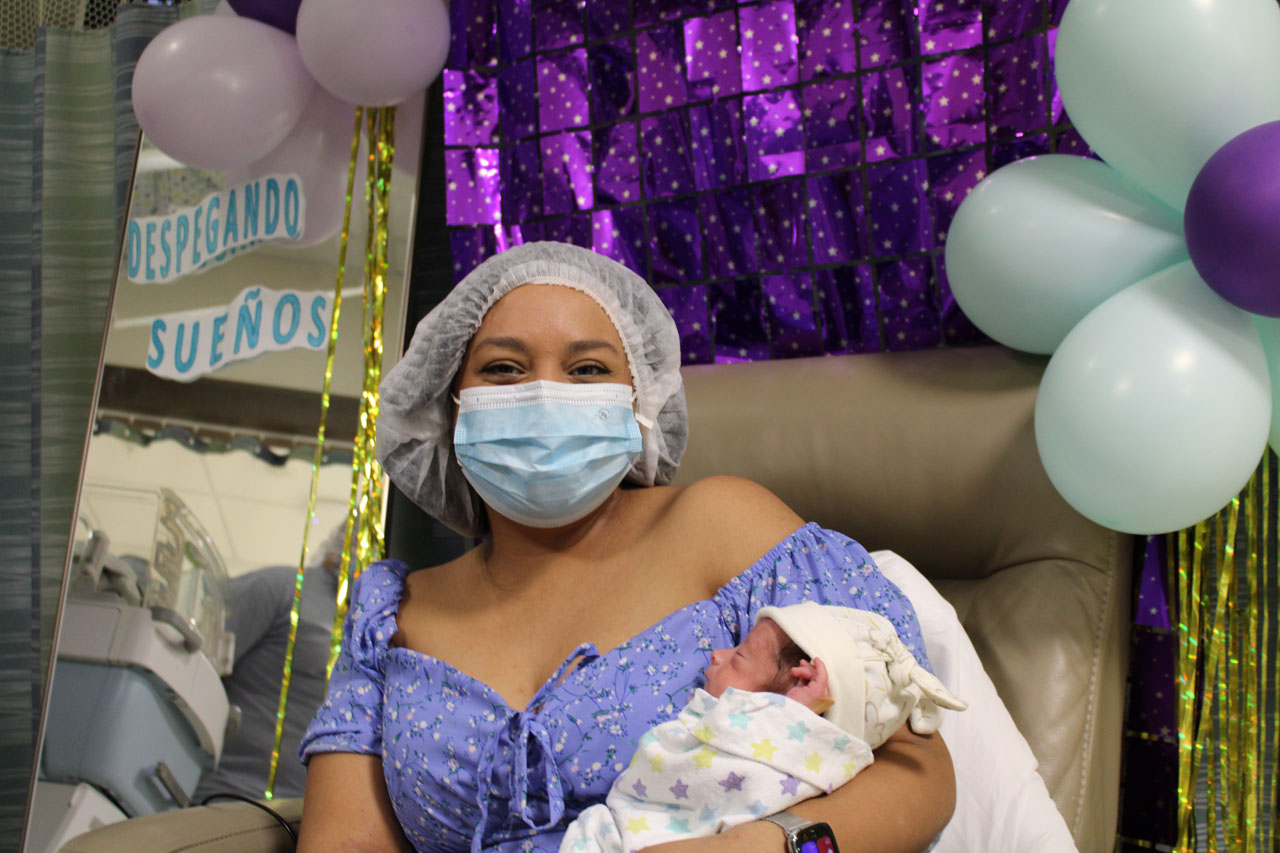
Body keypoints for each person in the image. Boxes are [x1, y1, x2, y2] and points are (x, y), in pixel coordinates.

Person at [296, 242, 956, 853]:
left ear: (639, 402)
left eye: (588, 369)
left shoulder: (723, 526)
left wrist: (760, 846)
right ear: (448, 406)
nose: (545, 396)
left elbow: (916, 768)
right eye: (503, 369)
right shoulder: (391, 614)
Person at [559, 602, 967, 852]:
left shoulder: (778, 743)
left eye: (739, 657)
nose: (717, 655)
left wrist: (793, 717)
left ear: (802, 686)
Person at [192, 522, 343, 803]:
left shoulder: (384, 636)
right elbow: (189, 670)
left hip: (306, 818)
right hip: (227, 797)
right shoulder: (282, 588)